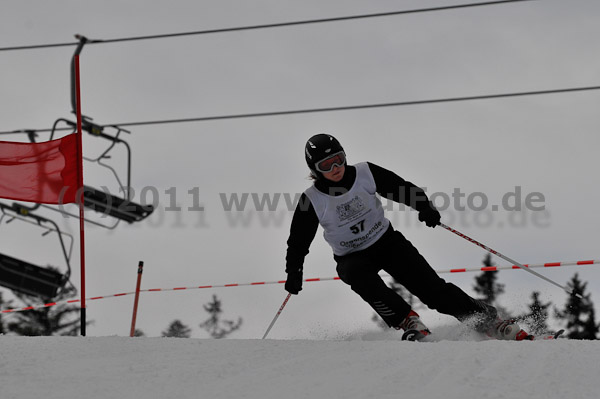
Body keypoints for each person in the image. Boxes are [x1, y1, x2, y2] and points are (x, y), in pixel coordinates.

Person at [284, 133, 529, 341]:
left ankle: (491, 322)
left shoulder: (365, 172)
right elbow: (298, 242)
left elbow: (400, 187)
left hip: (386, 242)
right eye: (325, 165)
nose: (335, 168)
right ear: (315, 170)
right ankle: (409, 321)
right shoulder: (312, 199)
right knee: (354, 273)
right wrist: (294, 272)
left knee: (434, 293)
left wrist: (424, 206)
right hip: (352, 256)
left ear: (344, 156)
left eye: (337, 160)